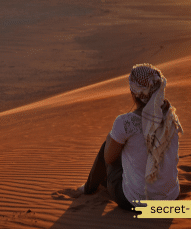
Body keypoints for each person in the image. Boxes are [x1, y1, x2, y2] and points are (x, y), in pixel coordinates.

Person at [79, 63, 184, 211]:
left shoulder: (125, 122)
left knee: (108, 146)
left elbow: (109, 159)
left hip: (136, 201)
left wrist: (112, 137)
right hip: (171, 197)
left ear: (133, 93)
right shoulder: (171, 118)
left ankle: (88, 188)